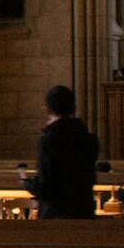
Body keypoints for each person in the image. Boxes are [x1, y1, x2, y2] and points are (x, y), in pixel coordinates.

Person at [26, 85, 100, 219]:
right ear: (74, 109)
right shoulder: (89, 140)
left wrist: (26, 183)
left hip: (55, 214)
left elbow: (47, 187)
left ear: (47, 109)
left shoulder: (48, 141)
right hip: (83, 212)